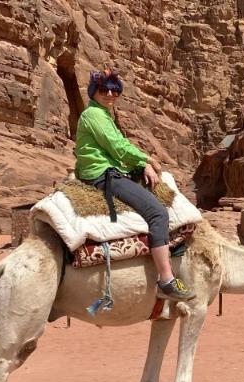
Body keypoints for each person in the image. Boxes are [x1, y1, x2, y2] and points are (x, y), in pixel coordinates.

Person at [74, 68, 195, 302]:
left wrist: (141, 166)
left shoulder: (102, 114)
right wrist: (146, 159)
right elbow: (118, 148)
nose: (110, 94)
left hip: (108, 169)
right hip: (103, 174)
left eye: (114, 89)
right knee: (158, 214)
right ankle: (166, 280)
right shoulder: (95, 115)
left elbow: (118, 146)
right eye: (103, 89)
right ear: (94, 92)